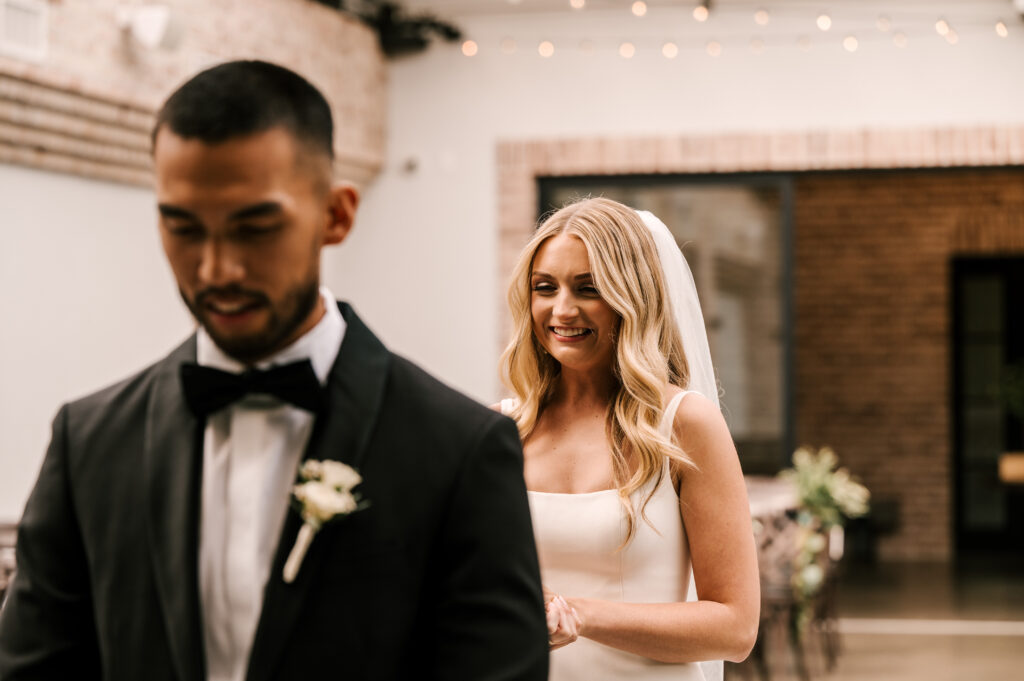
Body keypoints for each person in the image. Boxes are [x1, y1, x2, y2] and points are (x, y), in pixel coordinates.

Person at [0, 60, 549, 681]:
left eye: (254, 228)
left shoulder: (459, 450)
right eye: (183, 228)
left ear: (336, 215)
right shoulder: (89, 442)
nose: (216, 269)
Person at [498, 197, 759, 680]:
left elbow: (735, 628)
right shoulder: (499, 431)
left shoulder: (684, 425)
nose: (562, 309)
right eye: (544, 287)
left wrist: (578, 615)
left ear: (630, 298)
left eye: (588, 288)